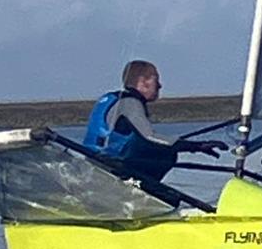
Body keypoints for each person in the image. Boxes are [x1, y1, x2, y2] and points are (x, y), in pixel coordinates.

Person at [83, 60, 226, 181]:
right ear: (143, 82)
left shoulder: (110, 98)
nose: (160, 86)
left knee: (162, 147)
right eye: (156, 80)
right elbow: (150, 137)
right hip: (107, 165)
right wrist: (198, 146)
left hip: (92, 161)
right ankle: (143, 189)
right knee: (166, 153)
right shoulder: (131, 103)